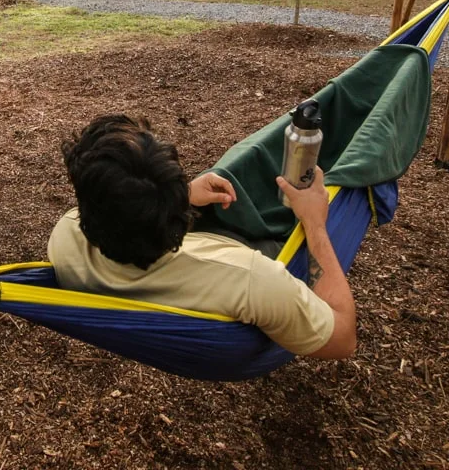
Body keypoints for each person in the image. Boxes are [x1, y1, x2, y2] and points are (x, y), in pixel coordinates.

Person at [48, 114, 356, 360]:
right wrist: (315, 223)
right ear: (180, 223)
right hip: (256, 274)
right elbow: (343, 341)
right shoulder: (250, 279)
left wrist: (178, 197)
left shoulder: (64, 239)